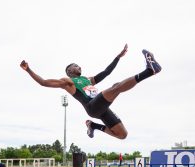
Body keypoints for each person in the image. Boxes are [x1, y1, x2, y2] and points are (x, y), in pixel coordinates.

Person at [20, 44, 161, 139]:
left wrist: (117, 57)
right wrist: (28, 70)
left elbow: (106, 72)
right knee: (116, 87)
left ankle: (93, 125)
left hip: (102, 109)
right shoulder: (68, 82)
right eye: (76, 66)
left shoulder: (88, 80)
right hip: (92, 107)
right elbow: (43, 82)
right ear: (70, 71)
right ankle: (149, 71)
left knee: (122, 134)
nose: (79, 66)